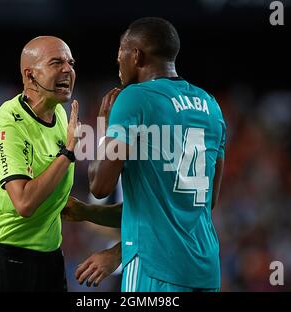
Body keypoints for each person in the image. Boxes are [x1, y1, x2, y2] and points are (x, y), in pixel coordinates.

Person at [64, 17, 226, 292]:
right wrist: (88, 213)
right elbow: (203, 204)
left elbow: (100, 185)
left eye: (120, 58)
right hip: (205, 269)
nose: (118, 68)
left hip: (154, 269)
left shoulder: (135, 97)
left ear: (136, 55)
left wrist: (103, 128)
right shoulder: (211, 106)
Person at [0, 36, 79, 292]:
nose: (67, 69)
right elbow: (25, 203)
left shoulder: (60, 115)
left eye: (70, 62)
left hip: (49, 260)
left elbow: (49, 188)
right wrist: (69, 152)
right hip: (7, 262)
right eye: (56, 62)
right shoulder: (9, 123)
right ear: (30, 76)